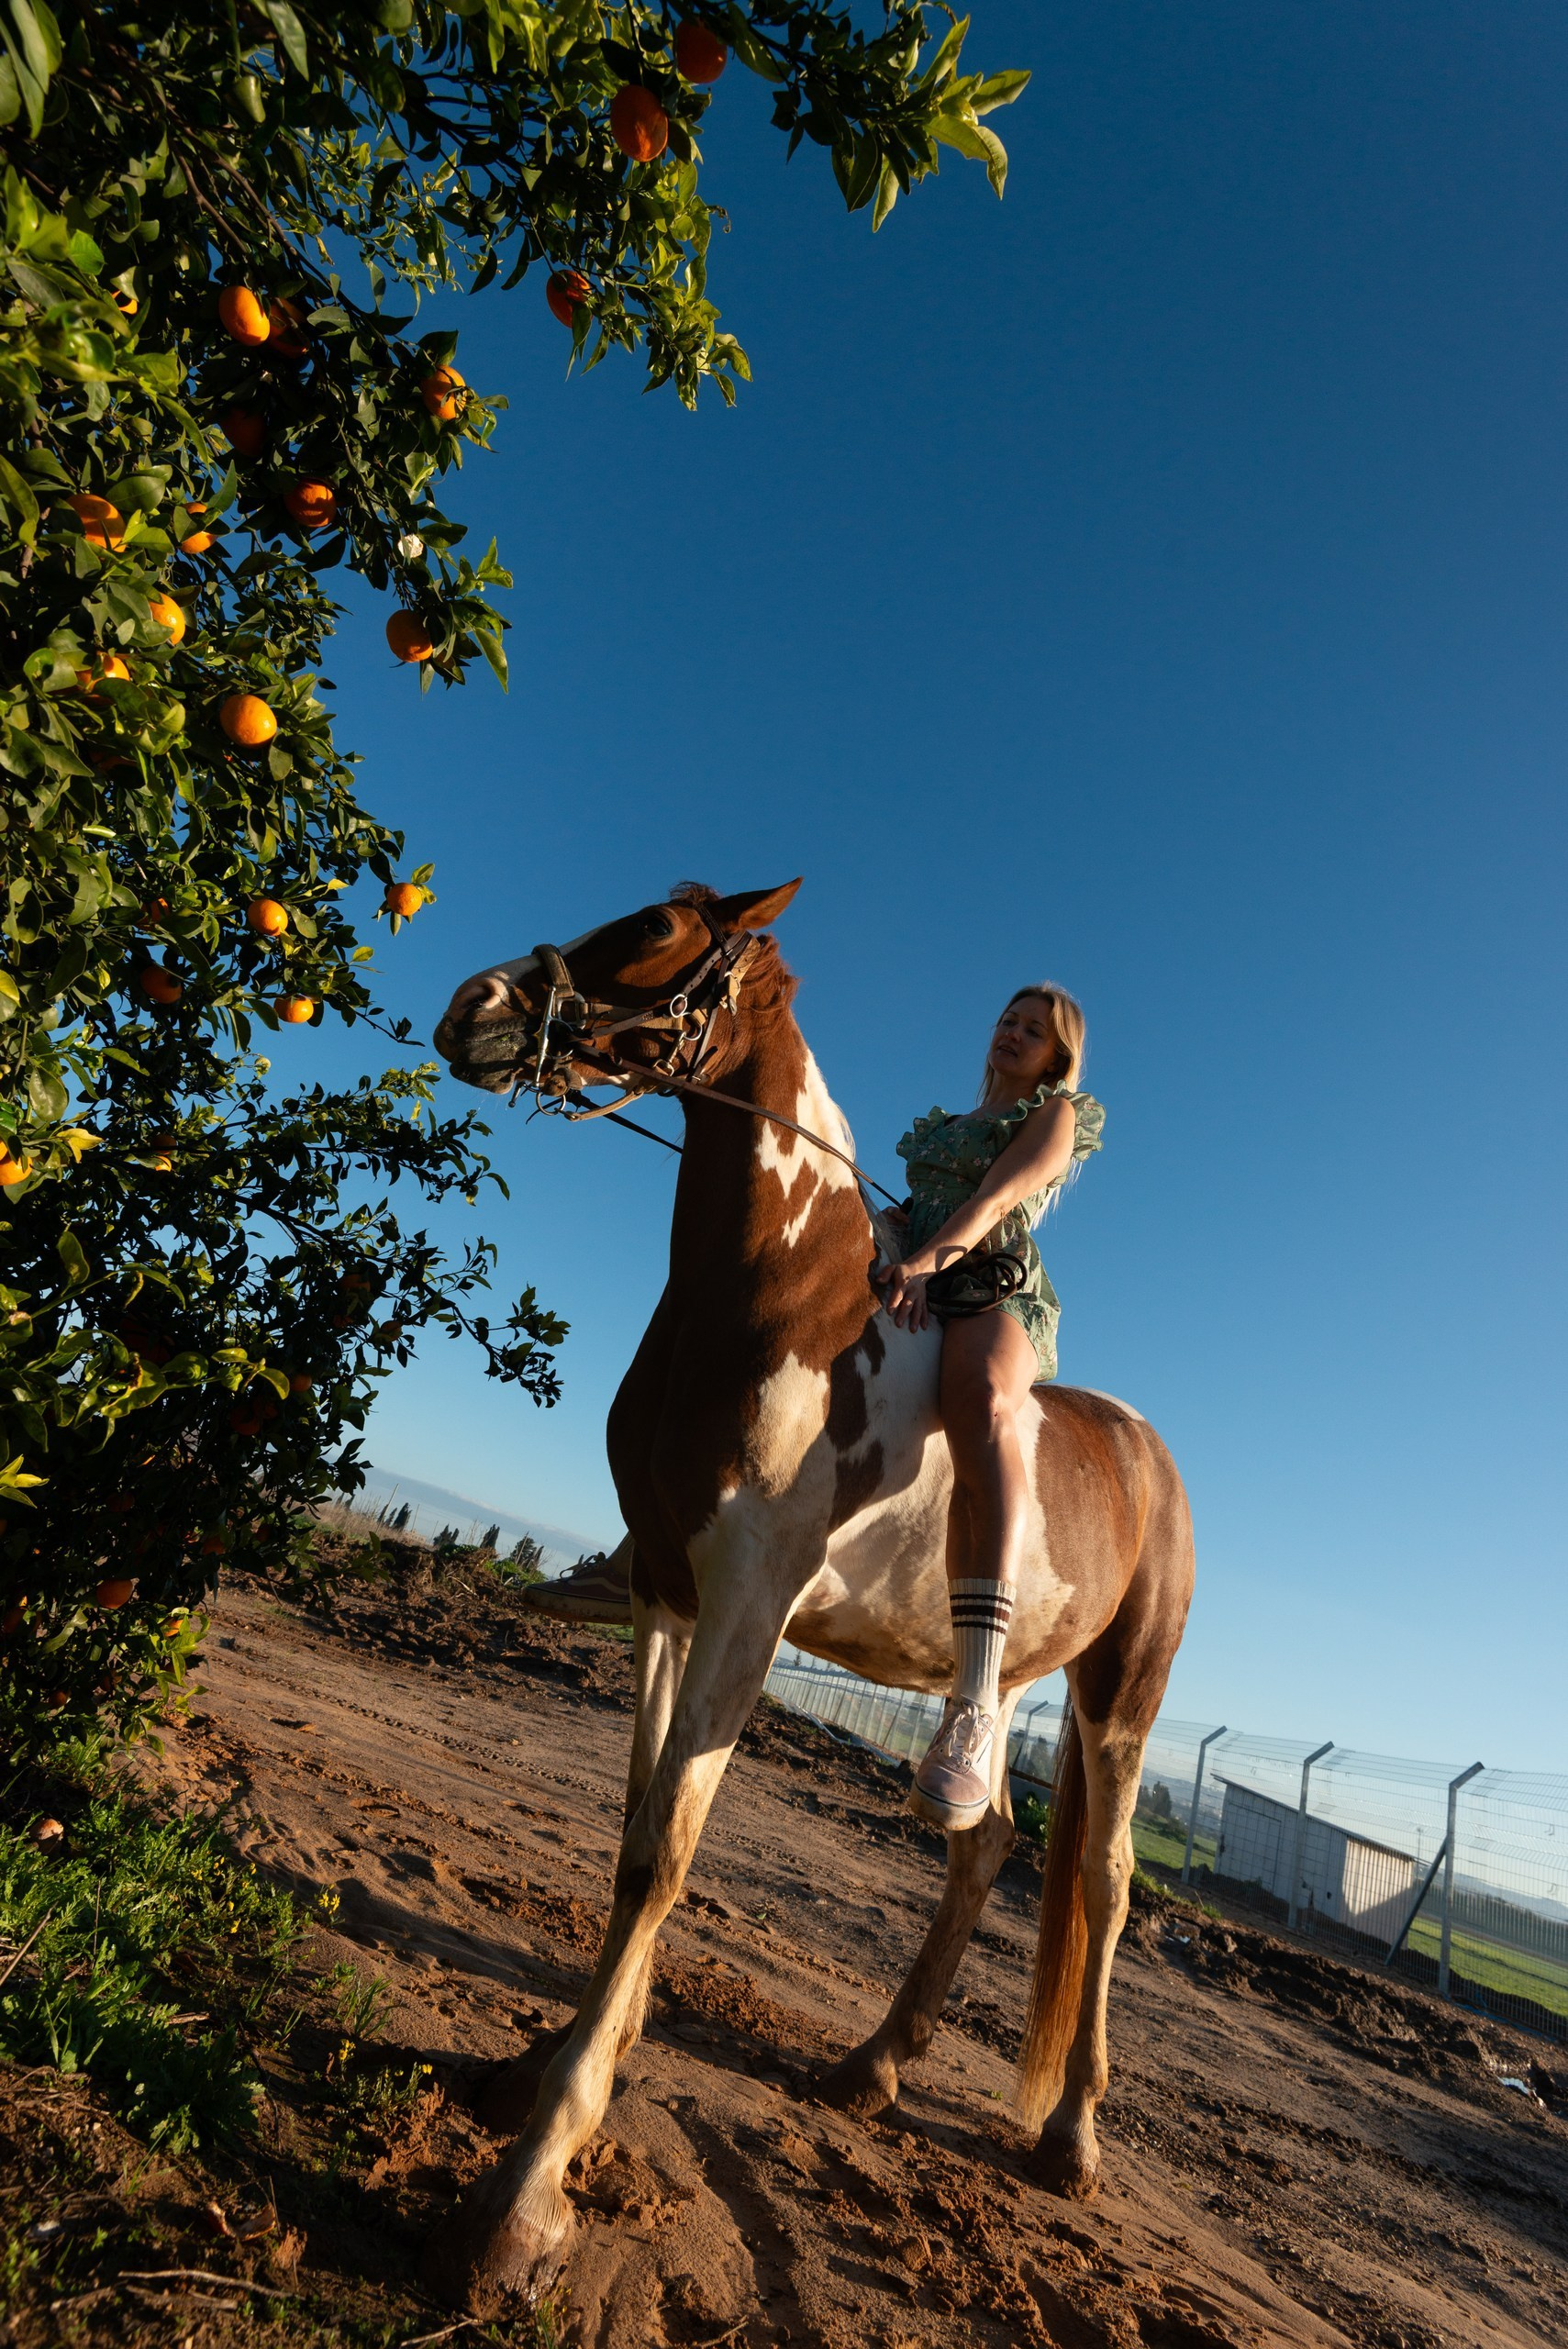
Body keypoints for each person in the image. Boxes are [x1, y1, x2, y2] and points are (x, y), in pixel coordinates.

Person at [873, 985, 1104, 1832]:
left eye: (1033, 1030)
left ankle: (973, 1705)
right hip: (920, 1261)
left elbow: (996, 1203)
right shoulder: (942, 1126)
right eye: (1007, 1020)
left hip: (987, 1283)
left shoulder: (1056, 1116)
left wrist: (931, 1258)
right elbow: (917, 1207)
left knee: (979, 1404)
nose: (1012, 1033)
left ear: (1057, 1054)